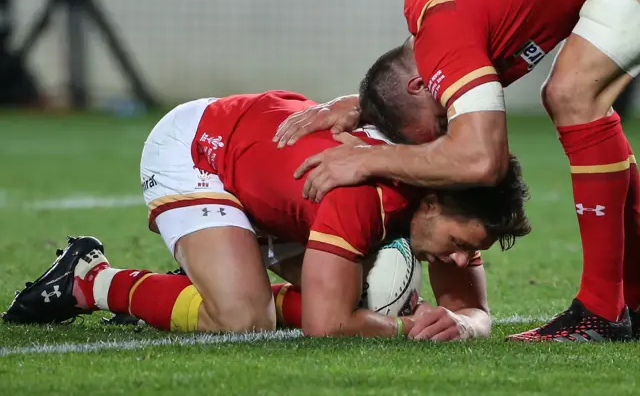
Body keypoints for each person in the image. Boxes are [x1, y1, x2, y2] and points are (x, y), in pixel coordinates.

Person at [273, 0, 640, 342]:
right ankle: (630, 302)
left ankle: (600, 310)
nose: (443, 134)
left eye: (438, 127)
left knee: (573, 94)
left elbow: (482, 159)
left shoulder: (443, 29)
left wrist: (365, 159)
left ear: (418, 85)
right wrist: (366, 104)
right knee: (576, 93)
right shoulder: (441, 18)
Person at [2, 90, 531, 341]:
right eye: (462, 243)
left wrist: (459, 324)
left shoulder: (449, 192)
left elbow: (472, 310)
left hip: (278, 179)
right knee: (241, 318)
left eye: (473, 251)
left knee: (375, 300)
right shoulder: (366, 197)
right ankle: (91, 279)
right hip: (201, 151)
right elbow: (327, 326)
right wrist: (407, 329)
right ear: (432, 200)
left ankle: (213, 278)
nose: (462, 258)